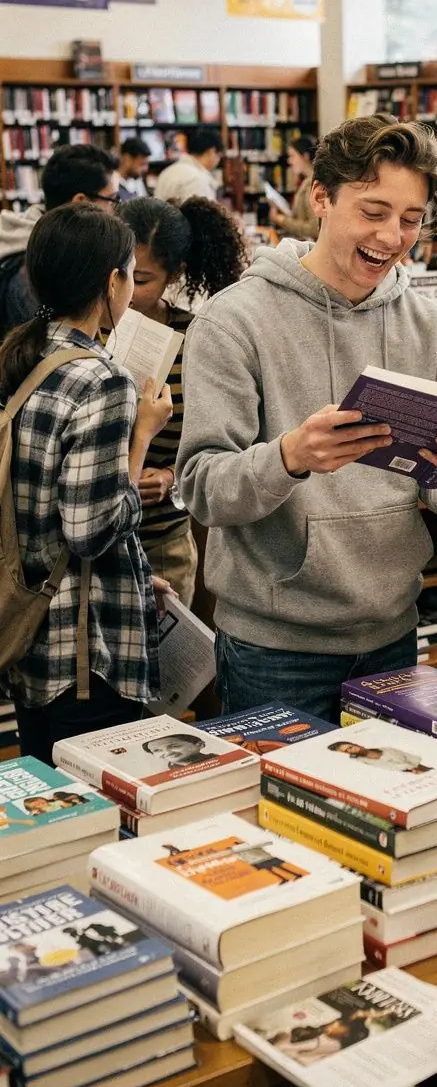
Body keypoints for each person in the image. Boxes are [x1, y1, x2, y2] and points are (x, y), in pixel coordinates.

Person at [177, 114, 437, 722]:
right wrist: (289, 457)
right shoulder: (233, 321)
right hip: (274, 645)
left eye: (411, 219)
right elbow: (203, 490)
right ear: (321, 197)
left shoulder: (430, 328)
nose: (392, 236)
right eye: (373, 211)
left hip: (394, 631)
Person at [0, 203, 172, 763]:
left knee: (48, 791)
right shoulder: (102, 380)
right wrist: (142, 436)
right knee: (98, 796)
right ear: (112, 282)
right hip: (84, 649)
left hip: (28, 628)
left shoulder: (20, 353)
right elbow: (89, 530)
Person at [116, 195, 247, 603]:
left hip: (164, 540)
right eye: (119, 272)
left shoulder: (196, 338)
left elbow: (219, 439)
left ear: (175, 275)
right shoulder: (89, 327)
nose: (125, 289)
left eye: (142, 279)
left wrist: (172, 478)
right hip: (95, 536)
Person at [0, 143, 118, 336]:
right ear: (81, 202)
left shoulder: (61, 243)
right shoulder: (33, 267)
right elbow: (45, 338)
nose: (115, 210)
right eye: (112, 199)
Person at [268, 136, 319, 241]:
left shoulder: (312, 185)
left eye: (292, 156)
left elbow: (314, 229)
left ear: (305, 156)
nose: (289, 161)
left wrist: (282, 220)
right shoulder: (306, 182)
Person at [154, 127, 222, 204]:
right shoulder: (197, 179)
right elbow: (203, 211)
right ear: (211, 151)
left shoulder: (167, 171)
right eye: (219, 155)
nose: (218, 160)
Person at [327, 740, 431, 773]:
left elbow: (413, 759)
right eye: (347, 751)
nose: (352, 750)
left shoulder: (386, 749)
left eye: (350, 746)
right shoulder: (363, 764)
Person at [141, 733, 218, 769]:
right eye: (157, 750)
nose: (168, 752)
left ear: (200, 745)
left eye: (174, 746)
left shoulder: (217, 760)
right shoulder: (169, 770)